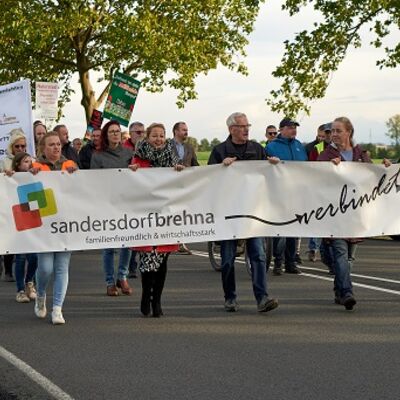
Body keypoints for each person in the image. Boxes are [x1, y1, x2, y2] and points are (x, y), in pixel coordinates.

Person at [208, 112, 278, 313]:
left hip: (252, 211)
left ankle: (262, 298)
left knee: (259, 256)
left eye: (248, 125)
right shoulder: (220, 151)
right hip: (229, 213)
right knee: (228, 259)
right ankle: (230, 298)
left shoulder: (257, 148)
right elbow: (209, 179)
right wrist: (221, 168)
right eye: (242, 126)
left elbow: (270, 171)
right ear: (231, 129)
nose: (247, 129)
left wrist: (274, 164)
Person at [317, 116, 388, 310]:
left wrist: (385, 169)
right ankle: (347, 292)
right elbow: (315, 180)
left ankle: (339, 291)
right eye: (332, 131)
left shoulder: (360, 154)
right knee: (340, 253)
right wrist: (330, 169)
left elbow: (372, 178)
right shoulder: (325, 155)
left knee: (349, 257)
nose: (334, 134)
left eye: (339, 130)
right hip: (335, 214)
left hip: (356, 214)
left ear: (349, 132)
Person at [130, 123, 183, 317]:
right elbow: (130, 183)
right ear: (147, 137)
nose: (159, 139)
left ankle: (157, 300)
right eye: (155, 136)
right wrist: (132, 172)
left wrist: (179, 171)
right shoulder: (139, 157)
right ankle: (146, 295)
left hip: (166, 217)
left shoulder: (172, 158)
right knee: (147, 260)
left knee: (162, 260)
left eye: (162, 135)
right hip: (145, 217)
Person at [31, 131, 78, 324]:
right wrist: (24, 174)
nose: (56, 147)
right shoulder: (35, 167)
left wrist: (77, 175)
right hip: (44, 227)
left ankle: (57, 308)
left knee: (61, 267)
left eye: (58, 144)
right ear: (43, 148)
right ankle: (40, 294)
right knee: (45, 268)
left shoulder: (70, 166)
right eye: (51, 144)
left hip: (66, 224)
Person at [91, 120, 133, 296]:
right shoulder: (98, 156)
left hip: (127, 203)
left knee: (128, 244)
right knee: (109, 246)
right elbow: (94, 181)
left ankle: (122, 276)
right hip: (107, 204)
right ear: (106, 135)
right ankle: (109, 281)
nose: (115, 134)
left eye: (118, 131)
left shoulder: (129, 153)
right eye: (112, 132)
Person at [266, 118, 307, 275]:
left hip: (297, 193)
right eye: (290, 127)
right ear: (281, 129)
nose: (293, 130)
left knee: (294, 230)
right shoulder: (272, 146)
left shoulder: (299, 146)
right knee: (281, 231)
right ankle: (278, 262)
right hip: (279, 193)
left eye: (295, 127)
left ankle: (291, 262)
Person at [6, 153, 38, 302]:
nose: (29, 165)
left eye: (30, 162)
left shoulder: (35, 175)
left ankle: (29, 282)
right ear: (18, 164)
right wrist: (7, 175)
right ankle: (20, 290)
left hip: (33, 221)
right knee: (20, 257)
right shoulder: (11, 178)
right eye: (26, 162)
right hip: (17, 221)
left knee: (34, 257)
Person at [0, 128, 30, 282]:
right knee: (10, 237)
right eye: (17, 146)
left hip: (25, 202)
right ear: (11, 147)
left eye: (23, 146)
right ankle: (8, 271)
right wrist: (5, 174)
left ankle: (27, 274)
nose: (20, 149)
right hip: (8, 203)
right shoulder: (4, 162)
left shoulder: (30, 160)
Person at [171, 121, 199, 255]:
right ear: (175, 131)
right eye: (183, 130)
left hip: (186, 185)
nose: (186, 132)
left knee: (183, 213)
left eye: (187, 130)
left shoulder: (189, 147)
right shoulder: (166, 145)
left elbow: (195, 165)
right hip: (170, 185)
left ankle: (181, 241)